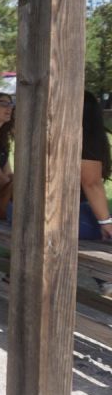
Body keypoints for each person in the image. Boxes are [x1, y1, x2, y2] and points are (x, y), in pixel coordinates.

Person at [79, 91, 112, 297]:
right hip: (56, 217)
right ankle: (107, 281)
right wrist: (105, 223)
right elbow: (91, 183)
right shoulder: (85, 138)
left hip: (18, 210)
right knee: (104, 234)